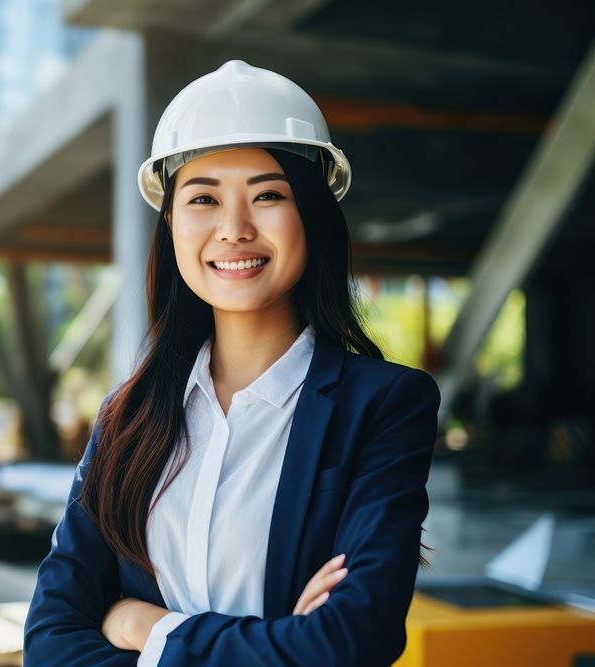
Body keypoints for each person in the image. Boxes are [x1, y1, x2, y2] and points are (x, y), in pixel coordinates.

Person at [24, 60, 440, 666]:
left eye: (268, 195)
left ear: (312, 215)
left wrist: (150, 628)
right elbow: (50, 642)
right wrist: (276, 646)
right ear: (170, 225)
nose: (234, 229)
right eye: (203, 198)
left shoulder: (382, 406)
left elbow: (348, 644)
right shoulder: (128, 416)